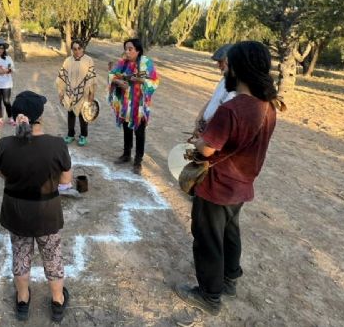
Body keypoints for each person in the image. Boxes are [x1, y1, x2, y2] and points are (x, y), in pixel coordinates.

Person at [175, 41, 283, 316]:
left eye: (229, 65)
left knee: (208, 238)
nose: (225, 70)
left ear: (239, 69)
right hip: (241, 184)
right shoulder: (268, 105)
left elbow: (207, 149)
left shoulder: (232, 109)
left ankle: (209, 296)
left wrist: (199, 141)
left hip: (217, 185)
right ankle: (230, 279)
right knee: (230, 232)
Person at [0, 91, 72, 322]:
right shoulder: (57, 144)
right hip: (47, 212)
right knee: (52, 255)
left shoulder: (5, 144)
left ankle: (22, 300)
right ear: (40, 116)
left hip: (16, 211)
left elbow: (2, 173)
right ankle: (57, 301)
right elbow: (66, 181)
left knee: (20, 254)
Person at [108, 38, 159, 174]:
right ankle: (126, 154)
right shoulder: (122, 63)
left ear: (138, 50)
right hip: (125, 104)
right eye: (126, 49)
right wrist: (119, 82)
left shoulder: (146, 63)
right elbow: (112, 75)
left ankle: (138, 160)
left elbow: (154, 81)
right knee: (126, 129)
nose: (127, 52)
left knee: (140, 132)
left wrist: (140, 80)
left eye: (130, 49)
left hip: (139, 105)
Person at [56, 40, 97, 147]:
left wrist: (91, 93)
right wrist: (61, 92)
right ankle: (70, 135)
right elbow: (62, 76)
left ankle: (83, 136)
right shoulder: (68, 61)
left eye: (79, 48)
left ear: (83, 49)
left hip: (83, 93)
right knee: (71, 114)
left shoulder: (89, 60)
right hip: (70, 93)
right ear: (72, 50)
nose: (77, 51)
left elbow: (91, 78)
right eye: (74, 49)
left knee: (83, 115)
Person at [192, 44, 236, 139]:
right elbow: (213, 100)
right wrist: (199, 119)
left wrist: (204, 127)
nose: (218, 65)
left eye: (221, 62)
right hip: (205, 129)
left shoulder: (236, 87)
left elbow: (223, 112)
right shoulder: (224, 80)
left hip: (213, 132)